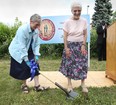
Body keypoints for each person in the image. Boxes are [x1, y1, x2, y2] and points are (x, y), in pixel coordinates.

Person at [9, 14, 48, 93]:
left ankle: (37, 86)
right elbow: (22, 46)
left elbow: (37, 44)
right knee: (24, 66)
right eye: (36, 24)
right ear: (31, 21)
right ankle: (24, 85)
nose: (37, 27)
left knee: (35, 65)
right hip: (18, 50)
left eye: (39, 25)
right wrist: (26, 60)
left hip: (29, 50)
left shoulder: (36, 30)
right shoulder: (22, 30)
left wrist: (36, 55)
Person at [59, 2, 88, 93]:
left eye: (79, 10)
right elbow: (65, 36)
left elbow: (85, 34)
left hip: (81, 46)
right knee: (69, 64)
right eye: (75, 10)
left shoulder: (84, 21)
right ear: (72, 11)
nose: (77, 12)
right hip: (70, 45)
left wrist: (83, 44)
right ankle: (69, 84)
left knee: (83, 64)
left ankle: (83, 84)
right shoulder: (67, 22)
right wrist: (66, 48)